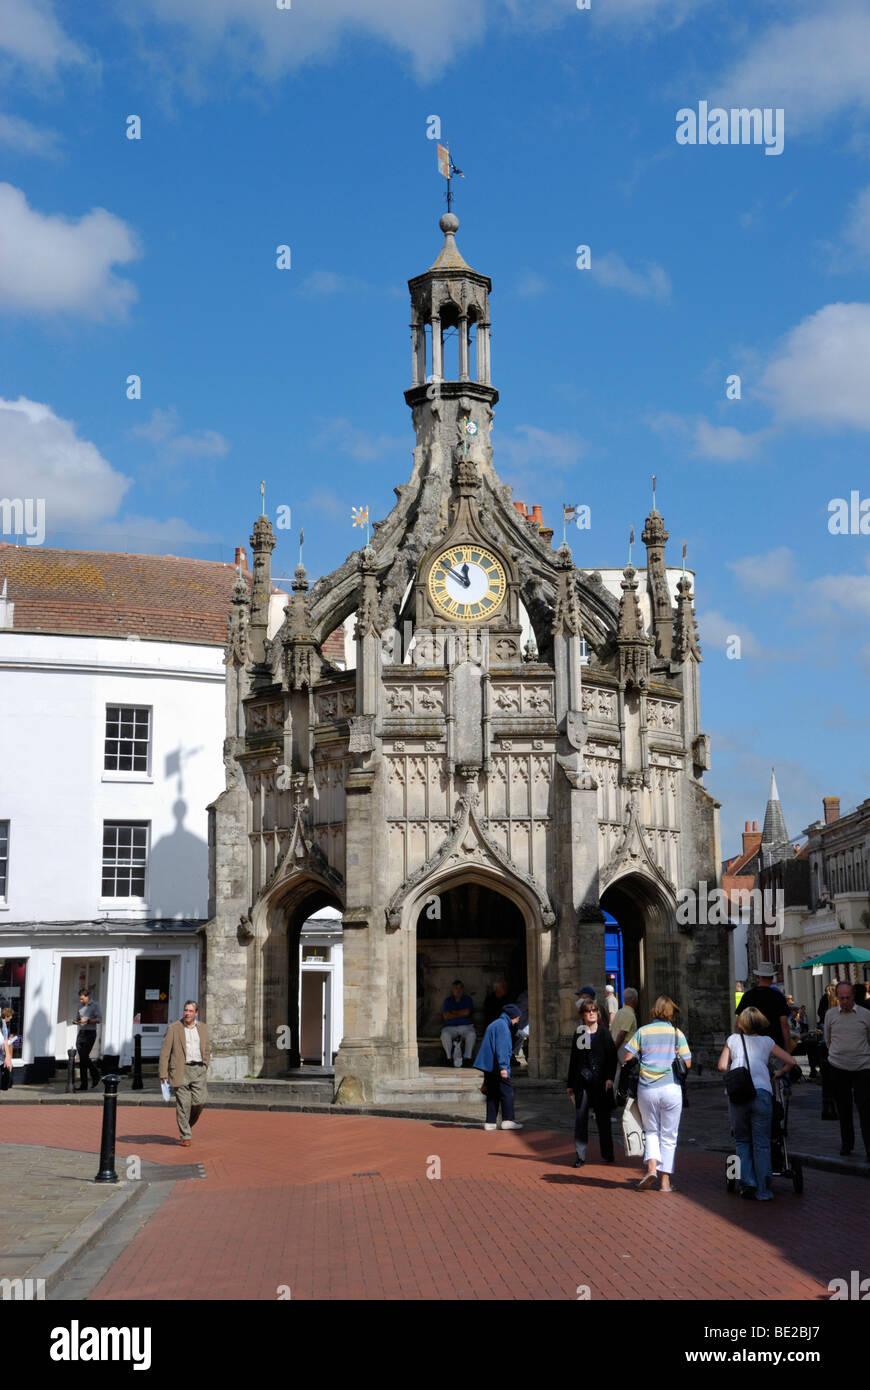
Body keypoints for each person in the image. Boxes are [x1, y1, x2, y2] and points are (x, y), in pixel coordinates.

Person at [718, 1006, 796, 1201]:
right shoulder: (767, 1041)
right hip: (762, 1092)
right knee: (762, 1143)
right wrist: (778, 1073)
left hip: (739, 1094)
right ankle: (763, 1189)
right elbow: (791, 1061)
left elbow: (721, 1066)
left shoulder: (733, 1040)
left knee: (742, 1140)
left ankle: (748, 1182)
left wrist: (735, 1072)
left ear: (742, 1023)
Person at [622, 997, 692, 1193]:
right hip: (671, 1088)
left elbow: (628, 1058)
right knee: (669, 1135)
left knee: (651, 1131)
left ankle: (651, 1168)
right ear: (671, 1013)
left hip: (647, 1089)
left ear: (654, 1011)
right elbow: (687, 1064)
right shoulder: (677, 1034)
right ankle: (665, 1182)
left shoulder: (642, 1032)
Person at [566, 996, 617, 1166]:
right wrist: (570, 1085)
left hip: (601, 1083)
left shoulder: (603, 1033)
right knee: (581, 1119)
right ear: (582, 1015)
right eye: (588, 1011)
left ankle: (608, 1153)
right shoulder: (581, 1033)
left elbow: (611, 1057)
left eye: (594, 1010)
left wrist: (610, 1078)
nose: (592, 1013)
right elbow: (576, 1060)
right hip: (583, 1083)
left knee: (603, 1120)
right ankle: (580, 1155)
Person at [824, 982, 870, 1160]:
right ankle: (847, 1144)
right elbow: (828, 1039)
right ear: (837, 997)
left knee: (865, 1108)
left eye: (847, 998)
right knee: (843, 1108)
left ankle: (868, 1147)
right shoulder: (830, 1015)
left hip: (863, 1066)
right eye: (841, 998)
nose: (844, 1001)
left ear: (853, 997)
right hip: (838, 1066)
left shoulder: (866, 1015)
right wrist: (836, 1054)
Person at [159, 1000, 211, 1147]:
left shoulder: (203, 1028)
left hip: (199, 1070)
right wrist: (163, 1073)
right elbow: (164, 1053)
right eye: (185, 1010)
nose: (187, 1013)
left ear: (196, 1013)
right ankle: (185, 1134)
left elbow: (207, 1047)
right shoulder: (174, 1028)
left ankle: (186, 1124)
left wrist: (205, 1064)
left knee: (199, 1102)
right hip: (180, 1070)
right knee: (184, 1103)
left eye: (190, 1011)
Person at [473, 1002, 523, 1131]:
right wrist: (504, 1068)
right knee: (507, 1092)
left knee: (492, 1093)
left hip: (489, 1066)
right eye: (517, 1018)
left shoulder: (495, 1024)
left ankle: (490, 1122)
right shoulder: (502, 1027)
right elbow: (502, 1049)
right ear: (512, 1016)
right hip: (497, 1066)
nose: (517, 1021)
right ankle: (508, 1120)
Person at [736, 964, 791, 1052]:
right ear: (772, 978)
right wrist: (788, 1049)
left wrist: (737, 1044)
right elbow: (784, 1024)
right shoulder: (778, 997)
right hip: (775, 1046)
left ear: (758, 977)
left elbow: (739, 1023)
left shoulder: (748, 996)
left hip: (751, 1046)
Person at [440, 980, 476, 1067]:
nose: (458, 990)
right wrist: (460, 1013)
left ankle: (467, 1058)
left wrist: (453, 1013)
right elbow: (445, 1016)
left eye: (460, 988)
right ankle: (449, 1058)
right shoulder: (448, 1000)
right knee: (445, 1034)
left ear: (463, 989)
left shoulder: (467, 999)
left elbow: (467, 1012)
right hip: (450, 1027)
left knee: (471, 1034)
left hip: (465, 1026)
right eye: (456, 988)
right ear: (453, 990)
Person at [73, 988, 102, 1091]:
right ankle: (84, 1084)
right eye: (80, 999)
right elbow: (78, 1018)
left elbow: (99, 1019)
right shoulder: (79, 1006)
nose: (80, 1001)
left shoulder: (95, 1005)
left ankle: (96, 1074)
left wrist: (88, 1020)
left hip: (90, 1033)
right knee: (82, 1060)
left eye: (82, 999)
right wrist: (77, 1021)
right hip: (81, 1033)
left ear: (87, 996)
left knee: (84, 1057)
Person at [513, 989, 529, 1067]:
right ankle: (512, 1055)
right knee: (522, 1034)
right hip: (521, 1025)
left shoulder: (525, 996)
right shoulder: (524, 997)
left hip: (526, 1024)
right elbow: (520, 1011)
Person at [0, 1007, 14, 1093]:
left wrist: (7, 1056)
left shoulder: (2, 1024)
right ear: (7, 1016)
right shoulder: (3, 1025)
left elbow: (4, 1040)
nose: (11, 1018)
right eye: (10, 1016)